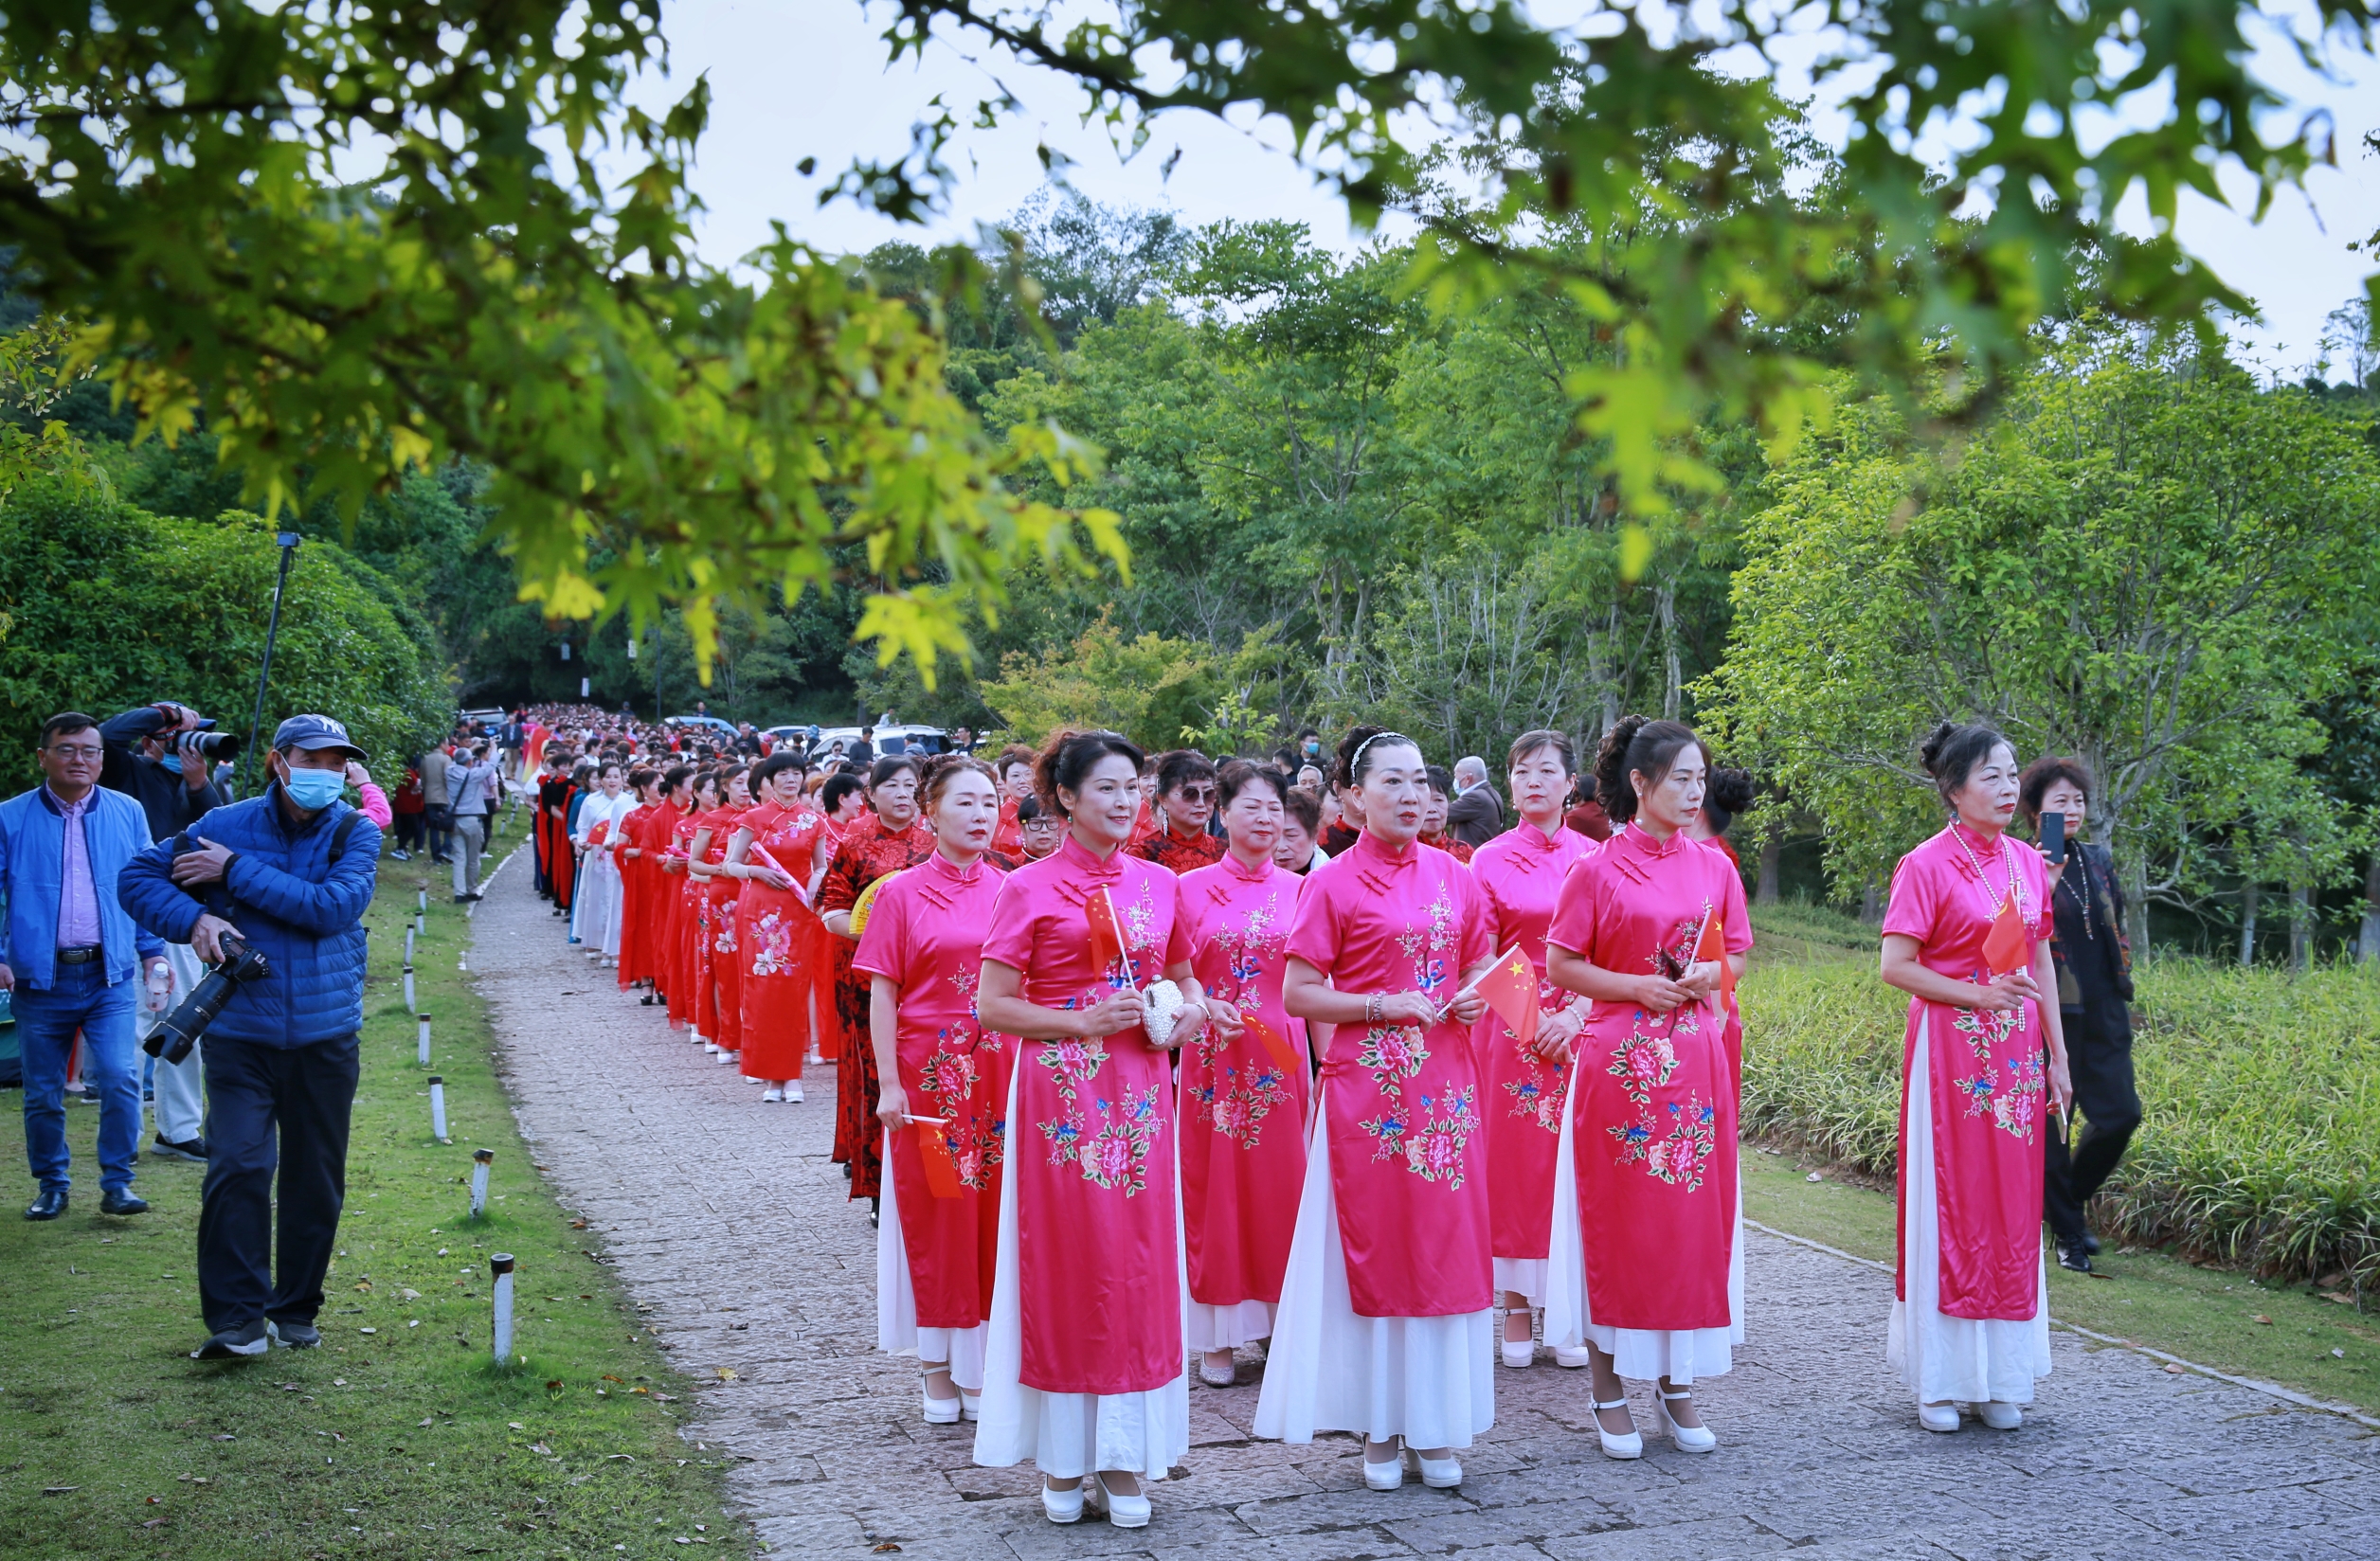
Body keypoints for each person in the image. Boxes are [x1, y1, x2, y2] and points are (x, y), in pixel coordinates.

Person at [973, 729, 1212, 1529]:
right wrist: (1077, 1021)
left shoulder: (1157, 884)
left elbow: (1181, 979)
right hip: (1061, 1097)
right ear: (1066, 798)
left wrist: (1186, 1017)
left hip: (1142, 1092)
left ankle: (1123, 1458)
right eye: (1107, 789)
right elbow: (993, 1005)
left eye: (1133, 788)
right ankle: (1063, 1458)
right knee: (1070, 1261)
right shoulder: (1028, 888)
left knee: (1136, 1264)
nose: (1124, 802)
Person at [1255, 727, 1497, 1493]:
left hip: (1449, 1089)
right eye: (1390, 782)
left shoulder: (1456, 876)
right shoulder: (1329, 882)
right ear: (1354, 797)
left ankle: (1436, 1425)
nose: (1410, 796)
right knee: (1377, 1249)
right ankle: (1379, 1425)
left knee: (1441, 1252)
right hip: (1368, 1093)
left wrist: (1475, 992)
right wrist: (1378, 1004)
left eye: (1420, 782)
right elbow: (1297, 993)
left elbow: (1484, 962)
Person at [117, 713, 383, 1359]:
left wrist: (232, 872)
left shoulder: (356, 831)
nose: (324, 772)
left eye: (335, 761)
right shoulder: (221, 823)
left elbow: (331, 909)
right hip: (240, 1033)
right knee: (237, 1165)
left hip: (326, 1037)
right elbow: (137, 879)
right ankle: (236, 1320)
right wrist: (197, 920)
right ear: (278, 759)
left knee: (313, 1177)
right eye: (310, 758)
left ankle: (294, 1308)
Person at [1542, 716, 1751, 1458]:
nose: (1696, 792)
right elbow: (1563, 966)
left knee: (1687, 1230)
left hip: (1695, 1068)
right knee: (1618, 1228)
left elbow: (1734, 958)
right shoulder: (1594, 870)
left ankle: (1677, 1385)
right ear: (1640, 784)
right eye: (1682, 779)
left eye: (1701, 779)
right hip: (1617, 1067)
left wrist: (1710, 976)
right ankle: (1606, 1386)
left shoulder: (1714, 866)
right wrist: (1639, 987)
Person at [1878, 722, 2072, 1432]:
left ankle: (2000, 1377)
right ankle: (1940, 1381)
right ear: (1954, 788)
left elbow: (2041, 962)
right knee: (1951, 1203)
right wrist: (1975, 994)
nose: (2005, 786)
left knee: (2010, 1208)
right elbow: (1896, 965)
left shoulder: (2027, 860)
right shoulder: (1924, 864)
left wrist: (2059, 1057)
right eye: (1990, 775)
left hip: (2017, 1059)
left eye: (2011, 773)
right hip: (1949, 1056)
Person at [857, 755, 1010, 1423]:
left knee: (992, 1217)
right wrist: (889, 1084)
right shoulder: (899, 893)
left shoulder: (1014, 889)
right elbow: (882, 996)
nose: (982, 816)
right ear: (931, 812)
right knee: (940, 1213)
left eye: (991, 803)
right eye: (967, 804)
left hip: (1001, 1077)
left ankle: (983, 1362)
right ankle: (937, 1365)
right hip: (928, 1081)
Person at [1, 712, 174, 1220]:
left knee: (121, 1077)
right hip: (40, 979)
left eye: (91, 751)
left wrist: (154, 953)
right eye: (68, 749)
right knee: (42, 1092)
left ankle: (118, 1183)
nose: (80, 760)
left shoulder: (128, 812)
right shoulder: (10, 817)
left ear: (102, 758)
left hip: (109, 976)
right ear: (43, 757)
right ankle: (52, 1184)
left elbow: (142, 889)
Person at [1467, 730, 1597, 1370]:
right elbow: (1480, 952)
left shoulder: (1598, 858)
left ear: (1571, 783)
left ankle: (1567, 1305)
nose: (1533, 781)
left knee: (1573, 1165)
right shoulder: (1485, 860)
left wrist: (1572, 1014)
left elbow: (1609, 951)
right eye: (1521, 772)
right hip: (1509, 1029)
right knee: (1515, 1165)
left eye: (1547, 771)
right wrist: (1532, 1016)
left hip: (1583, 1028)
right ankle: (1517, 1302)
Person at [1176, 761, 1309, 1388]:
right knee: (1216, 1188)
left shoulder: (1304, 889)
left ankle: (1284, 1317)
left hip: (1283, 1056)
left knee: (1284, 1185)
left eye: (1273, 807)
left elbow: (1320, 980)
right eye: (1250, 806)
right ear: (1220, 813)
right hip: (1214, 1055)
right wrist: (1202, 1002)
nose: (1264, 818)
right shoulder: (1188, 888)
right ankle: (1219, 1333)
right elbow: (1172, 974)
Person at [2017, 758, 2138, 1274]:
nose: (2072, 810)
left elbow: (2119, 923)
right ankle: (2068, 1231)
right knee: (2055, 1127)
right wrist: (2044, 879)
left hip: (2105, 1006)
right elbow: (2017, 929)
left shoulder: (2099, 859)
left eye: (2078, 801)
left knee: (2120, 1114)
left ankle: (2061, 1204)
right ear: (2035, 810)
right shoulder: (2020, 862)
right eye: (2059, 802)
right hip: (2054, 1008)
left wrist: (2124, 978)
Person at [97, 703, 228, 1167]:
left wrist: (198, 781)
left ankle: (178, 1131)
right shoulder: (126, 769)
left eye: (196, 737)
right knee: (133, 1026)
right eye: (179, 738)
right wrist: (164, 713)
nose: (190, 747)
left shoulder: (198, 785)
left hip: (186, 919)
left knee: (185, 1024)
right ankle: (123, 1135)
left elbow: (224, 836)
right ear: (153, 741)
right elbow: (107, 735)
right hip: (132, 917)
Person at [820, 755, 934, 1213]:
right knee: (878, 1080)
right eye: (893, 786)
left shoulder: (937, 841)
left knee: (931, 1077)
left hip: (930, 978)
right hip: (868, 981)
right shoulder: (855, 844)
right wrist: (883, 933)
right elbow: (832, 911)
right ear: (871, 794)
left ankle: (935, 1181)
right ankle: (881, 1188)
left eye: (912, 786)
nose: (903, 794)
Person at [723, 754, 831, 1102]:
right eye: (782, 773)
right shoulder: (753, 818)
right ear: (769, 780)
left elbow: (821, 865)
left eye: (796, 773)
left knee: (795, 991)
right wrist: (757, 871)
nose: (790, 779)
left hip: (798, 911)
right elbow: (731, 866)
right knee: (763, 991)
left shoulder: (813, 821)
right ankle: (771, 1076)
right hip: (761, 913)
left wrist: (816, 881)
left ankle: (793, 1076)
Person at [1134, 749, 1225, 875]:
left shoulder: (1225, 852)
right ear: (1163, 799)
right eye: (1189, 794)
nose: (1200, 803)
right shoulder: (1142, 855)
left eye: (1208, 794)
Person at [447, 742, 499, 902]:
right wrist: (494, 748)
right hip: (472, 819)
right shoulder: (474, 774)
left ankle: (459, 892)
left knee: (459, 857)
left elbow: (458, 759)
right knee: (473, 858)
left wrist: (469, 750)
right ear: (470, 762)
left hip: (454, 820)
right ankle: (472, 889)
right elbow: (491, 764)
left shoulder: (449, 771)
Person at [1418, 765, 1475, 863]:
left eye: (1439, 800)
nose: (1432, 809)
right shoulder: (1402, 851)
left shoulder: (1464, 851)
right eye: (1424, 801)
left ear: (1448, 803)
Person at [1446, 754, 1504, 848]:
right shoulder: (1492, 793)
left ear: (1468, 778)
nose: (1455, 780)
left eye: (1456, 776)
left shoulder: (1475, 798)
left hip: (1470, 858)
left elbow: (1442, 815)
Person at [1274, 788, 1328, 875]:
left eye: (1291, 835)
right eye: (1273, 836)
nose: (1281, 847)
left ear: (1315, 833)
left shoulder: (1330, 878)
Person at [420, 739, 455, 865]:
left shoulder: (425, 759)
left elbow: (422, 778)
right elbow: (448, 777)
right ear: (442, 744)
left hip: (429, 797)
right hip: (444, 797)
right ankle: (446, 850)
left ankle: (435, 856)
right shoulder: (446, 759)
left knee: (433, 828)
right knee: (448, 825)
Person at [389, 760, 426, 861]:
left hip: (406, 807)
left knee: (406, 828)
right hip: (407, 807)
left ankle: (402, 848)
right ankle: (400, 847)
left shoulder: (411, 773)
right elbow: (415, 783)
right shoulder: (409, 773)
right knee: (414, 828)